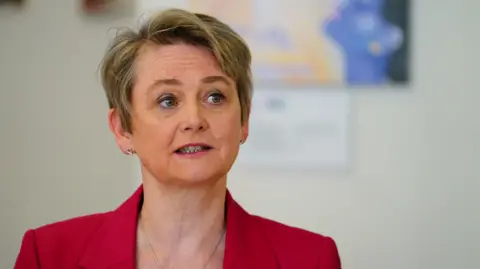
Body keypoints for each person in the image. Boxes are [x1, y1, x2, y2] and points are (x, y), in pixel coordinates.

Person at [13, 8, 341, 269]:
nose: (194, 120)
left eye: (215, 96)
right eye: (167, 101)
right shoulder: (49, 256)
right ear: (122, 129)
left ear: (244, 120)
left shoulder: (311, 259)